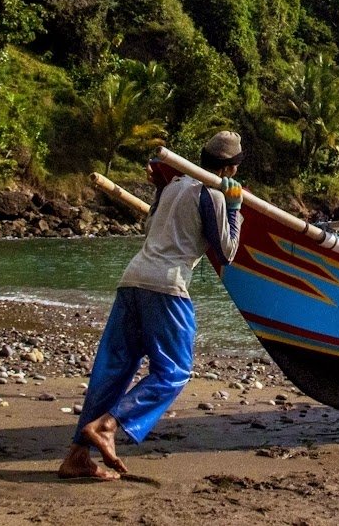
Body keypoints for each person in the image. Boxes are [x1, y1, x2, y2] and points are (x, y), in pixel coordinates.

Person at [58, 131, 245, 480]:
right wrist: (234, 209)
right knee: (174, 371)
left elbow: (150, 228)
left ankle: (76, 456)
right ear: (231, 168)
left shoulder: (172, 186)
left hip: (132, 279)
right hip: (166, 286)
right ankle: (110, 425)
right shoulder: (214, 195)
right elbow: (227, 252)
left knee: (112, 370)